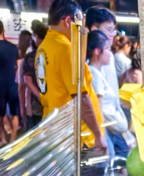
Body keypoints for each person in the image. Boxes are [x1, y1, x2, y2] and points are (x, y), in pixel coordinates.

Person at [37, 0, 104, 148]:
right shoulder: (66, 49)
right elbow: (81, 97)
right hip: (76, 138)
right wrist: (98, 135)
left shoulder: (44, 47)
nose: (81, 29)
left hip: (56, 132)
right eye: (80, 23)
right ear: (68, 21)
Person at [86, 29, 129, 156]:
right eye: (107, 49)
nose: (110, 53)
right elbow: (98, 109)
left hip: (109, 132)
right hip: (105, 132)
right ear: (97, 52)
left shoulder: (96, 72)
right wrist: (101, 137)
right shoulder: (94, 74)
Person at [21, 21, 45, 129]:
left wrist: (40, 97)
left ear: (36, 37)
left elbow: (27, 80)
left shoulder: (31, 57)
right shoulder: (52, 53)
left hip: (36, 104)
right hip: (52, 103)